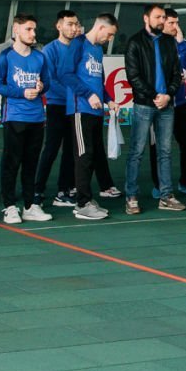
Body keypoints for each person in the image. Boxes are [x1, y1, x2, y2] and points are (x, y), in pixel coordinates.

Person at [124, 3, 186, 215]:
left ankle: (166, 196)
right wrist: (155, 96)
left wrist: (168, 95)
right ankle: (131, 196)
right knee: (136, 151)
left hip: (166, 105)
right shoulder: (135, 42)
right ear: (146, 18)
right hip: (144, 104)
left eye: (163, 17)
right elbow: (133, 76)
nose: (162, 21)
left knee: (165, 151)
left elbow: (177, 73)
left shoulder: (169, 42)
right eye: (158, 17)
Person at [0, 14, 54, 225]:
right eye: (28, 29)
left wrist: (41, 87)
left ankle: (29, 205)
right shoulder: (5, 57)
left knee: (31, 163)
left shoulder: (40, 57)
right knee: (11, 162)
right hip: (14, 117)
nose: (33, 33)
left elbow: (47, 82)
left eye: (34, 29)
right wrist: (21, 92)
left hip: (37, 117)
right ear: (16, 30)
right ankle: (9, 206)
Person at [63, 13, 117, 221]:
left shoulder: (98, 50)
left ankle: (87, 198)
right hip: (81, 110)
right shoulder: (78, 44)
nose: (109, 39)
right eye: (109, 34)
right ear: (101, 27)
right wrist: (88, 94)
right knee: (83, 155)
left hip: (96, 111)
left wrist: (109, 99)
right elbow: (66, 74)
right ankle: (82, 203)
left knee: (92, 155)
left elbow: (98, 81)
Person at [148, 8, 186, 199]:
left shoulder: (181, 42)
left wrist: (181, 42)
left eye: (177, 22)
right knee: (157, 147)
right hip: (159, 105)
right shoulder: (152, 44)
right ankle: (159, 185)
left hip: (180, 103)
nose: (175, 26)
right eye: (171, 23)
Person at [38, 10, 82, 208]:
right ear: (59, 26)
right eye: (69, 24)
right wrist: (75, 93)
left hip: (75, 107)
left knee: (72, 150)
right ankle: (38, 189)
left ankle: (65, 189)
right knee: (51, 148)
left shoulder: (79, 49)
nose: (73, 28)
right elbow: (51, 81)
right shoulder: (50, 50)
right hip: (57, 105)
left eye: (76, 24)